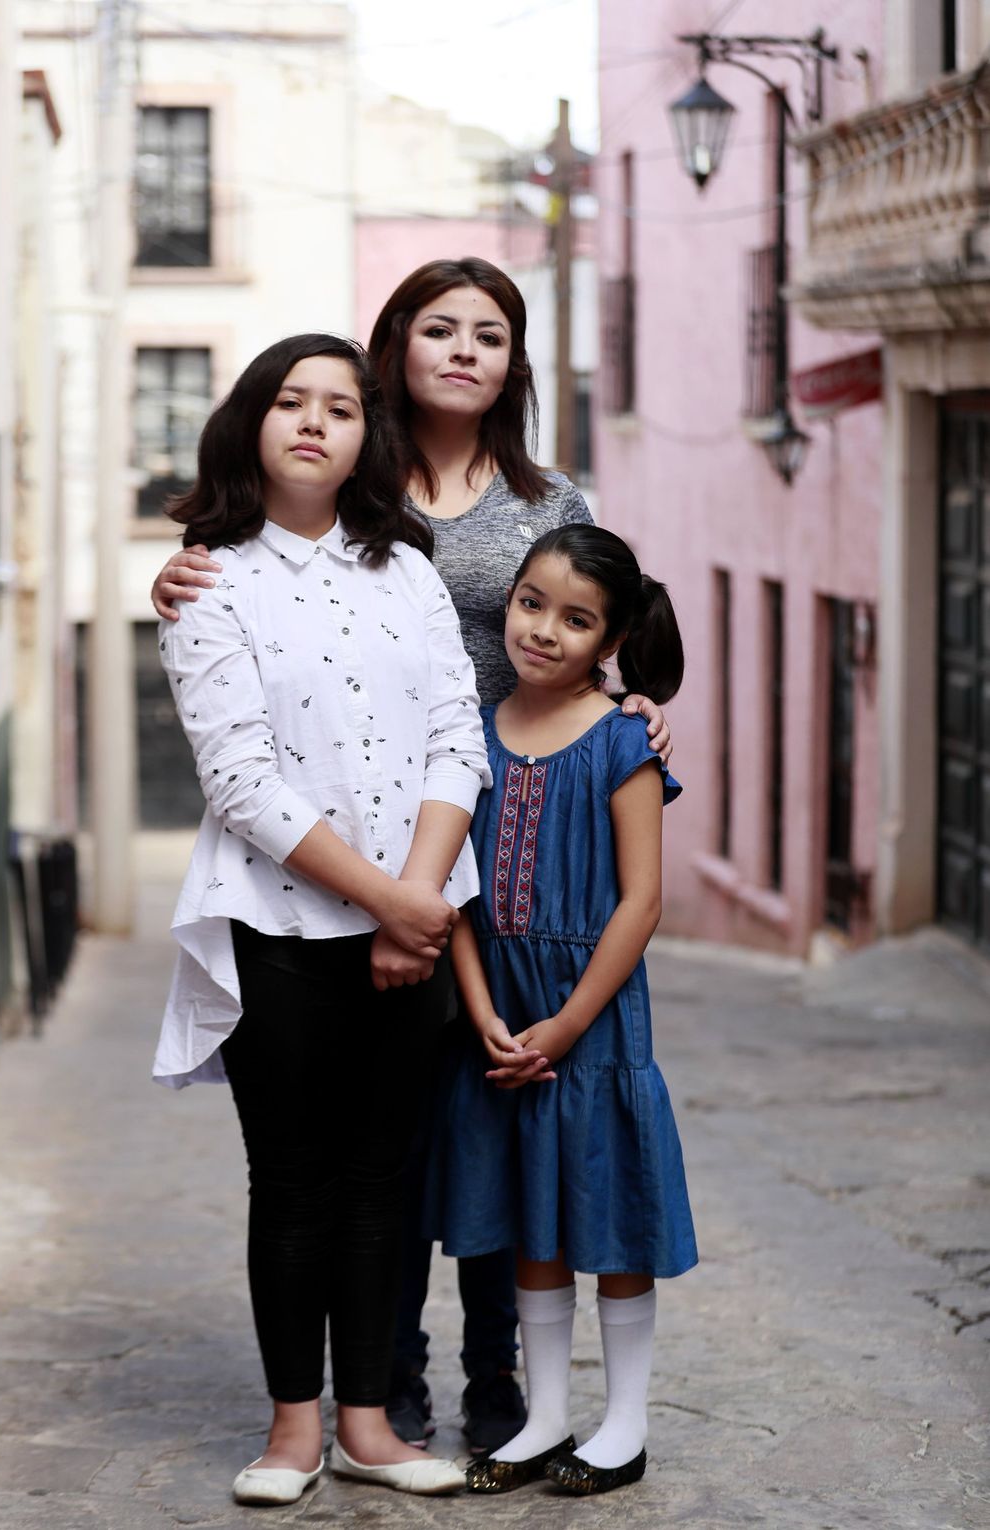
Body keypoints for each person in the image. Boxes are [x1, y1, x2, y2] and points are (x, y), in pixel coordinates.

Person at [150, 257, 675, 1453]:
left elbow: (607, 619)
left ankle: (503, 1383)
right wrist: (180, 569)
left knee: (488, 1115)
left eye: (488, 334)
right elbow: (243, 630)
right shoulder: (358, 484)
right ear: (394, 347)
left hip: (503, 847)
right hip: (373, 864)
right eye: (437, 328)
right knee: (355, 1149)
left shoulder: (542, 501)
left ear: (515, 361)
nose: (461, 351)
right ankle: (383, 1381)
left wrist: (642, 699)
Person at [153, 332, 492, 1503]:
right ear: (252, 422)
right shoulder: (209, 579)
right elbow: (240, 779)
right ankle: (293, 1428)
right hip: (281, 928)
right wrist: (400, 903)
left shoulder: (409, 572)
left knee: (381, 1179)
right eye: (289, 403)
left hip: (413, 931)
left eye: (340, 408)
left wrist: (420, 906)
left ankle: (369, 1426)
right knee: (291, 1180)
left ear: (367, 436)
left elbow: (461, 734)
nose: (313, 423)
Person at [426, 523, 698, 1497]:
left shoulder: (623, 738)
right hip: (502, 1022)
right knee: (532, 1221)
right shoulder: (474, 731)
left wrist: (572, 1023)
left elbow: (642, 899)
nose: (543, 630)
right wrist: (481, 1012)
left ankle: (623, 1424)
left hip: (592, 1020)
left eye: (576, 619)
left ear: (610, 637)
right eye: (531, 603)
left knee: (610, 1216)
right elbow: (451, 888)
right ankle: (543, 1415)